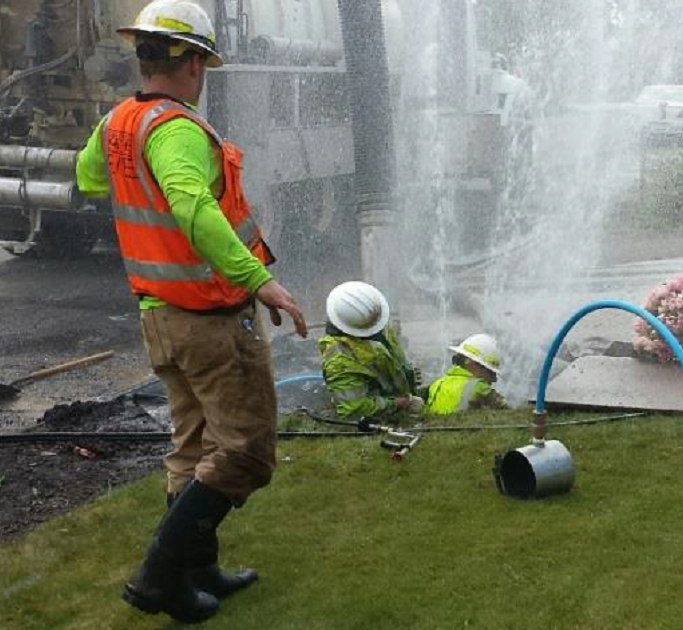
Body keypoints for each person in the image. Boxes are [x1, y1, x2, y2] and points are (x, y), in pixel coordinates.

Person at [74, 0, 307, 623]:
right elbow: (191, 206)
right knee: (247, 452)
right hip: (208, 321)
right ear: (196, 63)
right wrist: (261, 282)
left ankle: (195, 571)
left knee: (195, 444)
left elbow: (89, 176)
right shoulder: (176, 129)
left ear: (145, 55)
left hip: (160, 318)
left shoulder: (120, 121)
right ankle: (157, 574)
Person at [318, 281, 422, 423]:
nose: (380, 324)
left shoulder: (375, 322)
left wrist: (408, 374)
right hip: (386, 416)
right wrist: (397, 404)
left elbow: (392, 356)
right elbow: (354, 409)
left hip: (404, 398)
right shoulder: (340, 361)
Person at [424, 334, 508, 415]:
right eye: (489, 371)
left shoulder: (437, 383)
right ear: (471, 363)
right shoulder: (480, 387)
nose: (493, 379)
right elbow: (508, 411)